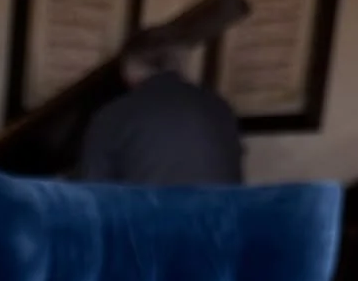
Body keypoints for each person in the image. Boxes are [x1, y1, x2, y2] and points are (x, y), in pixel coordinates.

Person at [77, 39, 244, 186]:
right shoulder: (221, 108)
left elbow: (93, 197)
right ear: (181, 63)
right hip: (219, 219)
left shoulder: (113, 114)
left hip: (151, 220)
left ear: (128, 69)